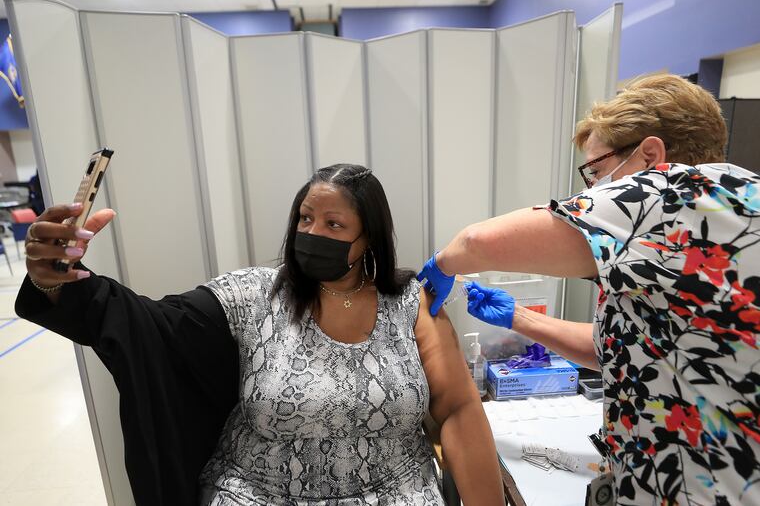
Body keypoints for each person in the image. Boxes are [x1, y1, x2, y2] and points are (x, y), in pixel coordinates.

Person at [16, 164, 505, 505]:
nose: (311, 232)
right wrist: (56, 280)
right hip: (260, 493)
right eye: (305, 219)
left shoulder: (410, 303)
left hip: (395, 492)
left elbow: (457, 410)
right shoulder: (253, 296)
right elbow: (150, 326)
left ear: (369, 239)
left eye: (334, 224)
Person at [417, 75, 760, 504]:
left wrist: (443, 263)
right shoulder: (739, 206)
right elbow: (614, 351)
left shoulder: (673, 197)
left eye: (596, 173)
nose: (591, 192)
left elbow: (478, 242)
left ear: (651, 156)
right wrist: (518, 318)